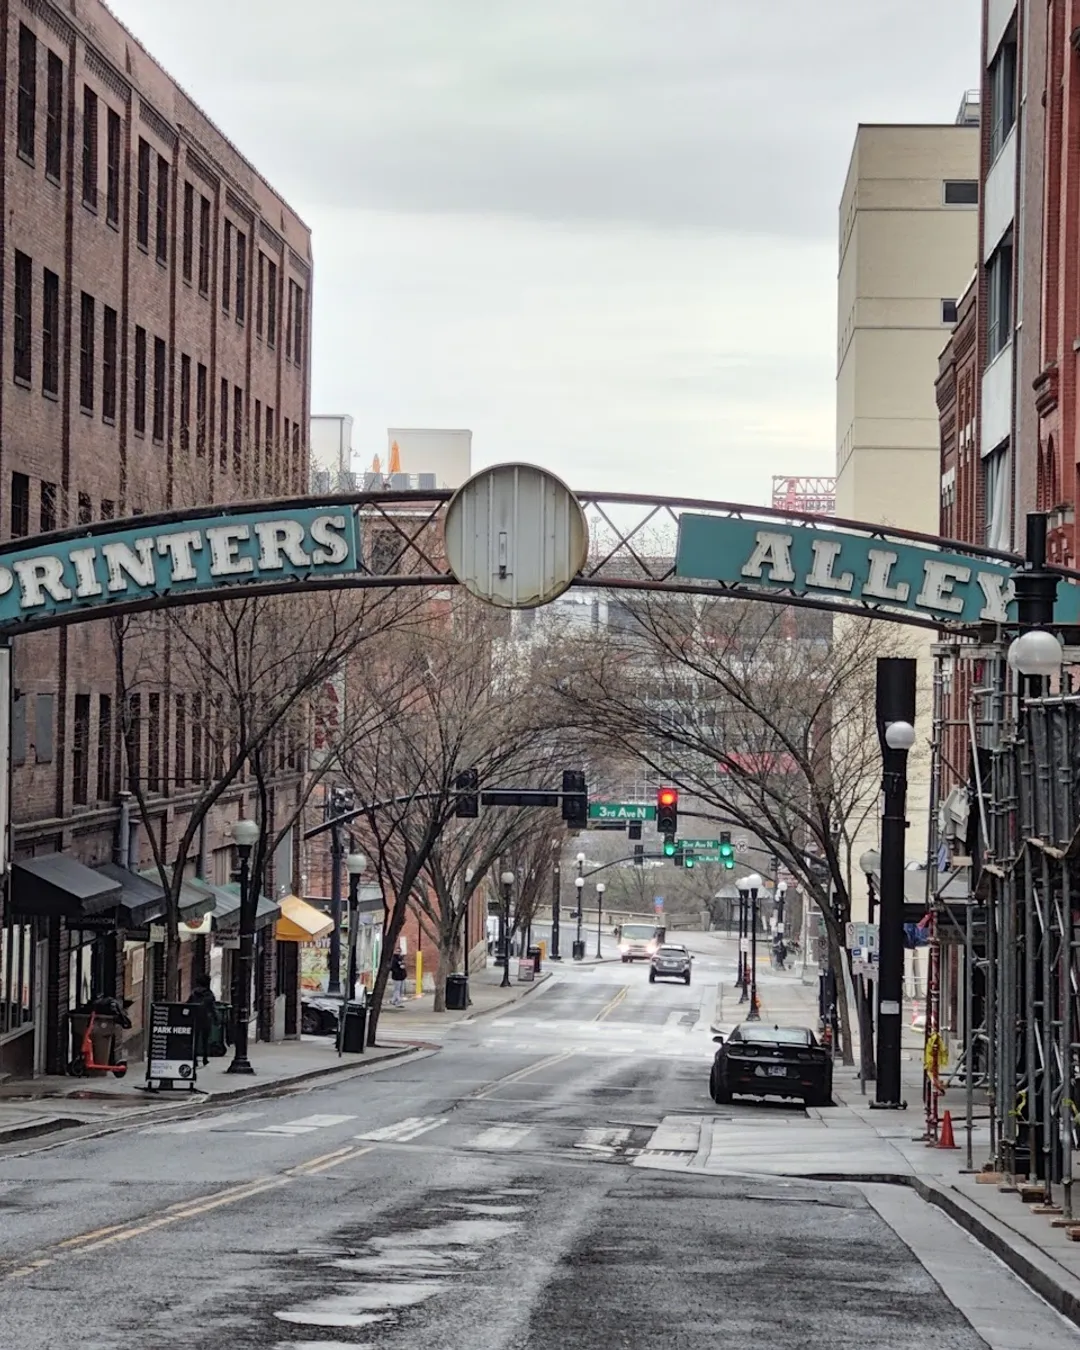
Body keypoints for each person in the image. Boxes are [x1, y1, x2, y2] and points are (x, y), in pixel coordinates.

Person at [187, 972, 217, 1066]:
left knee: (194, 1040)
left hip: (195, 1018)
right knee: (205, 1040)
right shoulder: (209, 994)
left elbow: (188, 1004)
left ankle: (194, 1058)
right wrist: (216, 1018)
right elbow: (212, 1007)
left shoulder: (194, 993)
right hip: (206, 1018)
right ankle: (205, 1058)